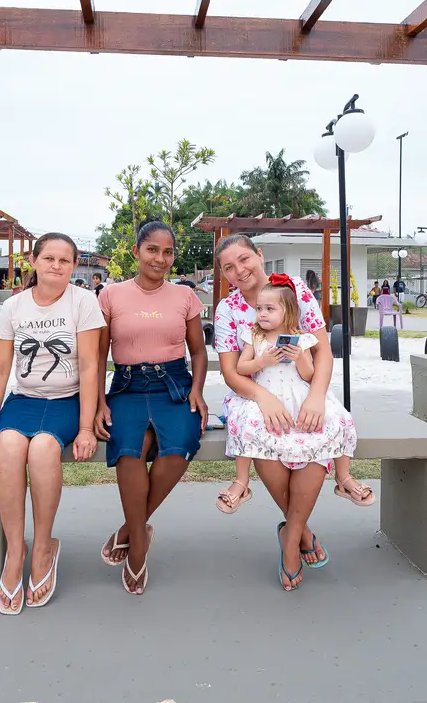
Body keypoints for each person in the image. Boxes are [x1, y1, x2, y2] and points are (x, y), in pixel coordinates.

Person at [213, 235, 372, 591]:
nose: (239, 270)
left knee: (320, 424)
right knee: (263, 429)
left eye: (244, 259)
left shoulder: (294, 290)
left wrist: (316, 396)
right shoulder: (228, 310)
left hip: (303, 388)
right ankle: (300, 534)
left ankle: (291, 535)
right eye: (229, 267)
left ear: (259, 255)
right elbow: (232, 372)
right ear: (224, 274)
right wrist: (263, 398)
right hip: (254, 392)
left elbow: (322, 352)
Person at [0, 233, 104, 614]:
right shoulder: (14, 306)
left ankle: (44, 546)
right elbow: (0, 369)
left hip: (67, 401)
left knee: (44, 448)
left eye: (64, 260)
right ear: (34, 261)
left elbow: (90, 366)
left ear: (74, 265)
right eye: (49, 258)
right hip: (24, 400)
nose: (56, 266)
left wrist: (85, 428)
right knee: (9, 446)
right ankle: (16, 551)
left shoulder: (83, 301)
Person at [93, 221, 208, 595]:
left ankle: (129, 531)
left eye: (168, 252)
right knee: (130, 449)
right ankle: (139, 548)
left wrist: (198, 391)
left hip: (173, 385)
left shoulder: (185, 296)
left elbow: (198, 351)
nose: (160, 258)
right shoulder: (111, 295)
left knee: (180, 446)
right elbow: (98, 355)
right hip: (127, 386)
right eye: (152, 250)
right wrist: (98, 403)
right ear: (136, 251)